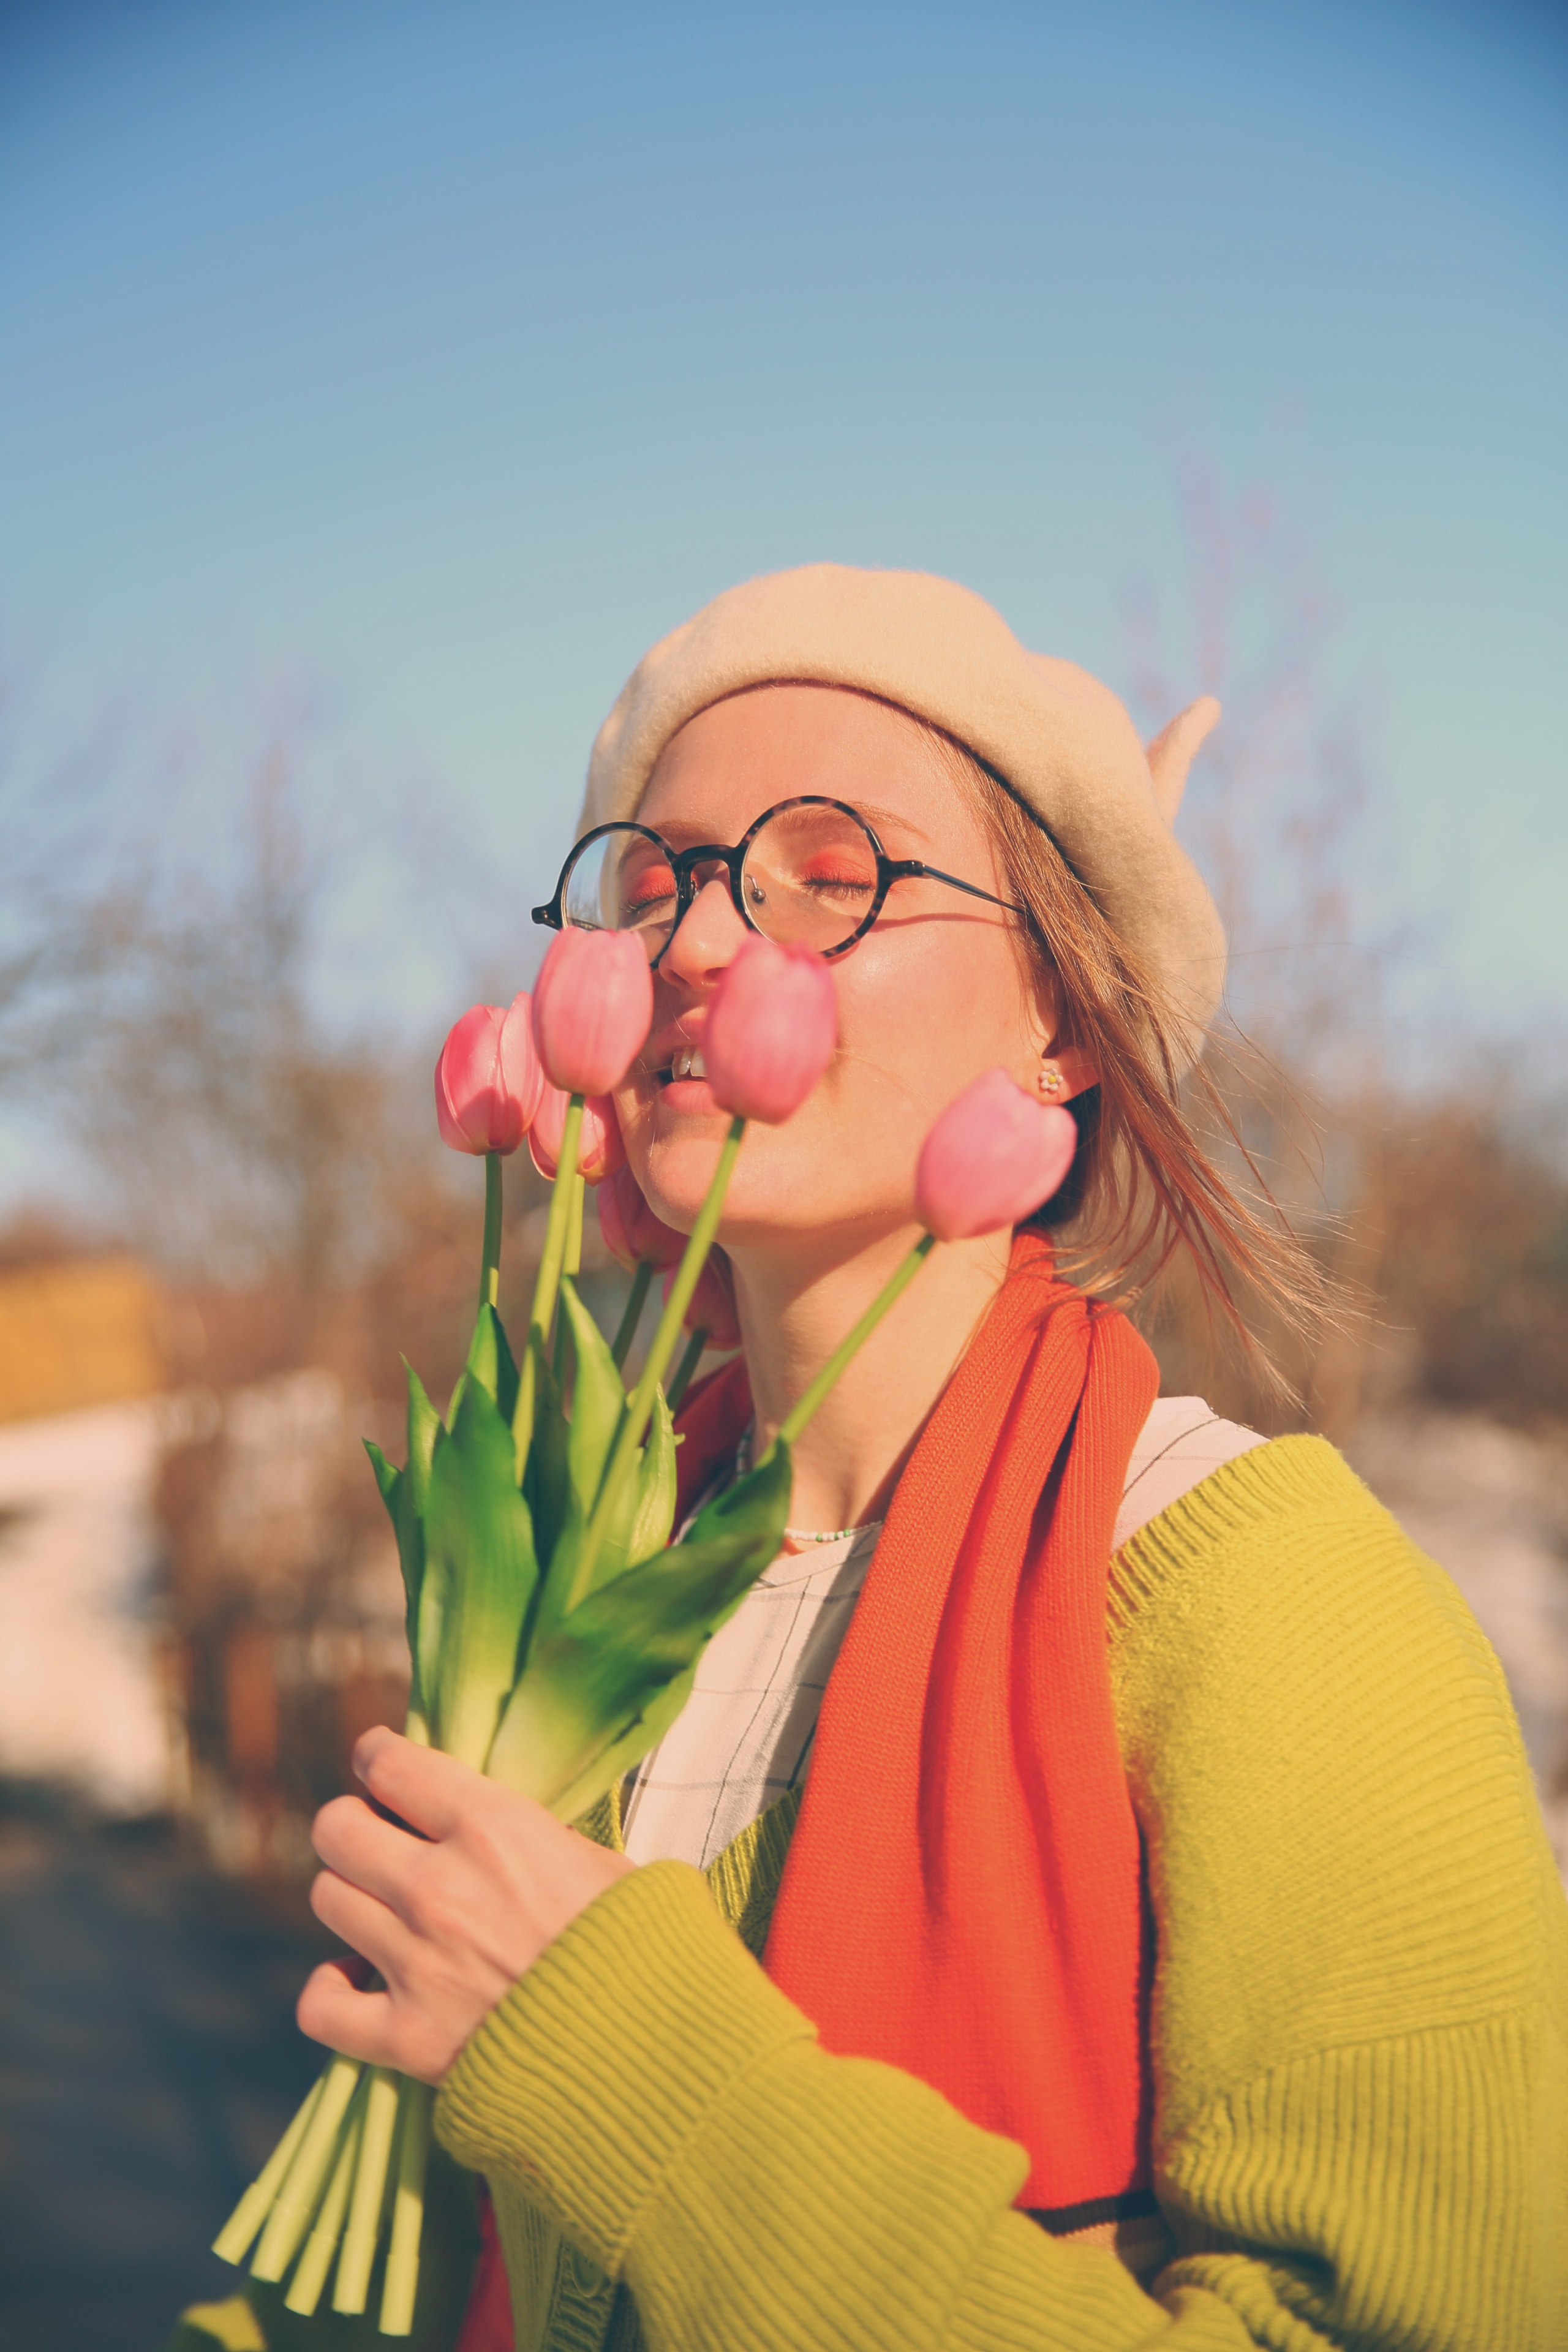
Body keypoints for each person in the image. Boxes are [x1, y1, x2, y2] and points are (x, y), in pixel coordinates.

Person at [188, 567, 1568, 2351]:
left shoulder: (1271, 1596)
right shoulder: (592, 1596)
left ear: (1059, 1021)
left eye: (829, 877)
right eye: (654, 885)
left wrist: (629, 2069)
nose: (695, 945)